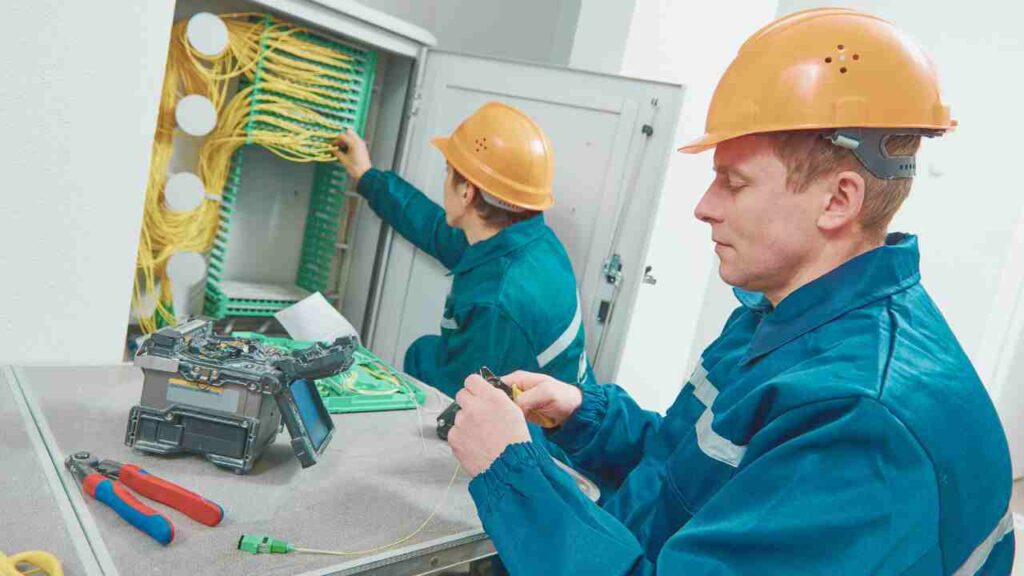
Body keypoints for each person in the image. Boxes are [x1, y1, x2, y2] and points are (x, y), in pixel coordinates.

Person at [445, 8, 1015, 574]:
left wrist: (511, 471)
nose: (704, 207)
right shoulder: (778, 317)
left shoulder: (857, 422)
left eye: (733, 183)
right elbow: (694, 472)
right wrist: (583, 416)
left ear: (837, 201)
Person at [333, 101, 594, 396]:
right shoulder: (531, 243)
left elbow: (460, 408)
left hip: (538, 435)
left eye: (448, 172)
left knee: (421, 356)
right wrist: (368, 177)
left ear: (467, 192)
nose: (445, 181)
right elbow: (434, 229)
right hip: (563, 406)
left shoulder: (496, 302)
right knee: (424, 353)